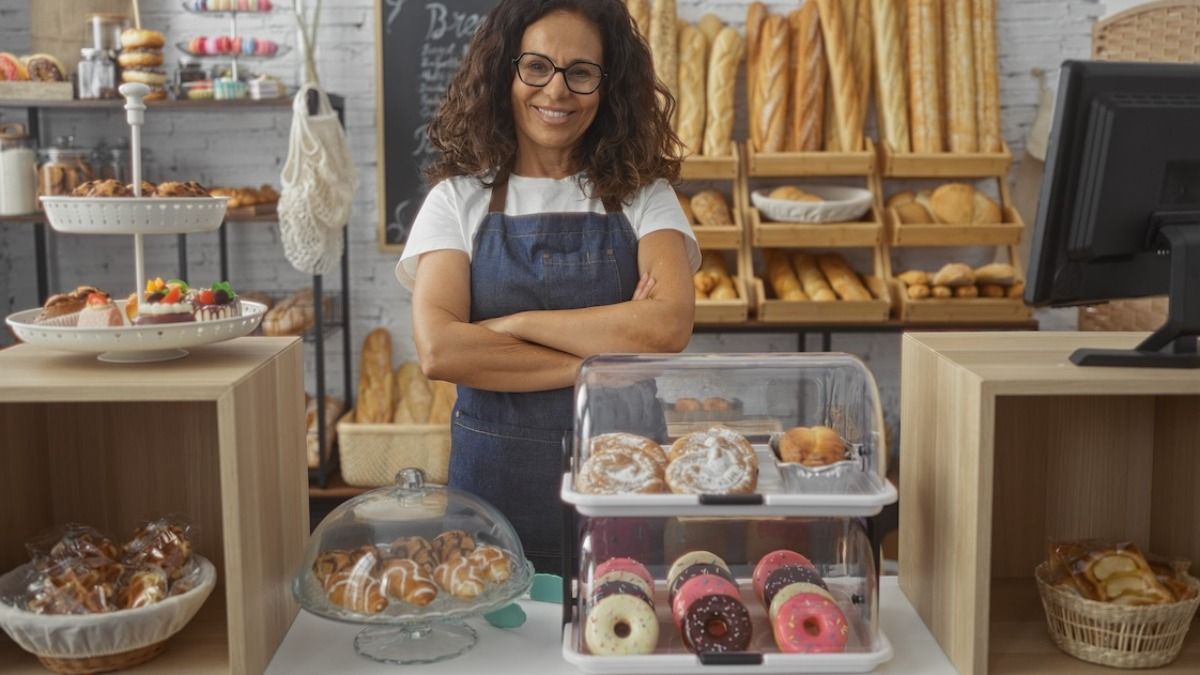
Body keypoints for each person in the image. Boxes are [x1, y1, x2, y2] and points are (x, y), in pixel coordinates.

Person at [395, 0, 699, 572]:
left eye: (581, 73)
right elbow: (441, 350)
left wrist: (510, 328)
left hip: (626, 487)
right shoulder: (457, 200)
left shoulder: (645, 197)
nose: (556, 91)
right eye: (536, 66)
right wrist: (610, 356)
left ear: (608, 88)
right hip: (494, 496)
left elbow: (667, 326)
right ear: (505, 72)